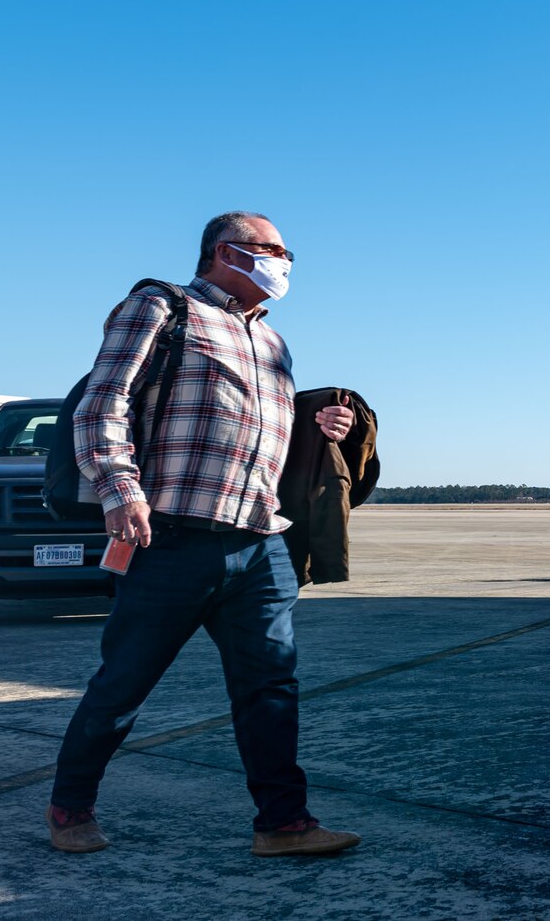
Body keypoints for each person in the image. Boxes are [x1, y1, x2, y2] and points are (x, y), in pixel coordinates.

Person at [47, 213, 361, 857]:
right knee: (124, 684)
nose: (286, 263)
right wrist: (120, 490)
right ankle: (70, 807)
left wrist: (312, 423)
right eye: (275, 250)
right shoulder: (161, 309)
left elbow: (245, 428)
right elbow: (101, 404)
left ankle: (282, 824)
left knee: (271, 685)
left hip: (259, 541)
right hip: (170, 538)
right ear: (227, 252)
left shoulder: (273, 343)